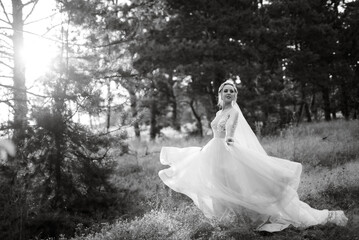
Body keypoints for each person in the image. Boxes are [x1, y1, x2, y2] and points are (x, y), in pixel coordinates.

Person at [158, 80, 348, 232]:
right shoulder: (219, 112)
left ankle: (248, 219)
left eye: (232, 91)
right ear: (220, 94)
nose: (229, 93)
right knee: (217, 185)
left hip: (226, 149)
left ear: (235, 95)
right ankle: (225, 222)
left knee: (233, 187)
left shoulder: (233, 112)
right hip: (212, 150)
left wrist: (230, 140)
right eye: (226, 91)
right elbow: (216, 130)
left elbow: (231, 128)